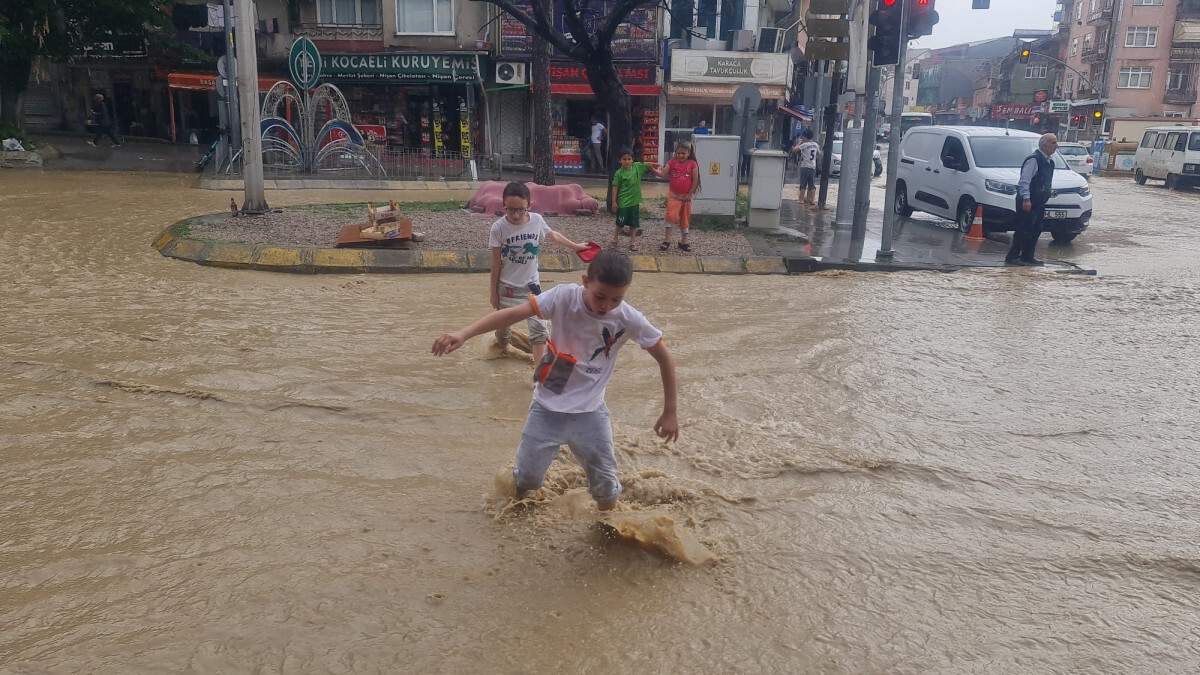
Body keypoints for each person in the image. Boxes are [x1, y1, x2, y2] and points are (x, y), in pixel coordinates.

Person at [431, 250, 680, 511]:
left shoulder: (629, 318)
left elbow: (665, 358)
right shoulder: (563, 297)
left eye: (617, 299)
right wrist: (464, 333)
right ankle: (519, 493)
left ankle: (607, 528)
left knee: (606, 489)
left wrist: (670, 412)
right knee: (527, 479)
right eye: (599, 296)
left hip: (590, 413)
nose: (606, 306)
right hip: (547, 406)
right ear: (586, 282)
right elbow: (513, 315)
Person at [489, 182, 589, 366]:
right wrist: (493, 293)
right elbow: (496, 263)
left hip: (531, 287)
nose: (516, 215)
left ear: (530, 206)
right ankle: (502, 346)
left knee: (539, 331)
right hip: (506, 289)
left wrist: (575, 247)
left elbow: (553, 236)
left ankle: (539, 375)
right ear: (503, 206)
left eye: (521, 210)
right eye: (510, 210)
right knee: (503, 333)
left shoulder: (536, 220)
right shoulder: (498, 228)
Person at [1006, 133, 1058, 266]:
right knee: (1023, 229)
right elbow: (1024, 181)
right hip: (1028, 202)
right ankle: (1013, 256)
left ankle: (1028, 256)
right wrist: (1026, 199)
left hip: (1039, 202)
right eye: (1053, 143)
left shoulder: (1050, 162)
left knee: (1036, 229)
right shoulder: (1034, 160)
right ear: (1044, 145)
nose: (1056, 146)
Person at [649, 141, 700, 251]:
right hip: (674, 196)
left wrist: (690, 194)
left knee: (685, 219)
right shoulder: (672, 162)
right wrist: (652, 169)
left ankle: (684, 242)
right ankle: (667, 240)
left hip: (687, 197)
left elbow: (695, 180)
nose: (681, 155)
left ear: (689, 153)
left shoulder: (693, 164)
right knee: (671, 216)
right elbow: (662, 174)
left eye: (683, 153)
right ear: (675, 153)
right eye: (678, 153)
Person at [609, 148, 659, 252]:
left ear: (633, 160)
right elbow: (615, 187)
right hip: (623, 201)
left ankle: (632, 242)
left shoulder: (637, 167)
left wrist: (656, 165)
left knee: (634, 223)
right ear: (620, 161)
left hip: (635, 201)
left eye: (629, 159)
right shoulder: (619, 173)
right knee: (620, 222)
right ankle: (615, 239)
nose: (627, 161)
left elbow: (647, 164)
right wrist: (614, 201)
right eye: (624, 159)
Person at [792, 128, 820, 205]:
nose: (803, 138)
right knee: (811, 184)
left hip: (805, 166)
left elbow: (794, 150)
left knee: (803, 183)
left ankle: (800, 200)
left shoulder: (804, 145)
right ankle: (813, 200)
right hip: (813, 167)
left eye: (803, 137)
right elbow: (818, 153)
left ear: (806, 137)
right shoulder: (815, 145)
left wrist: (799, 143)